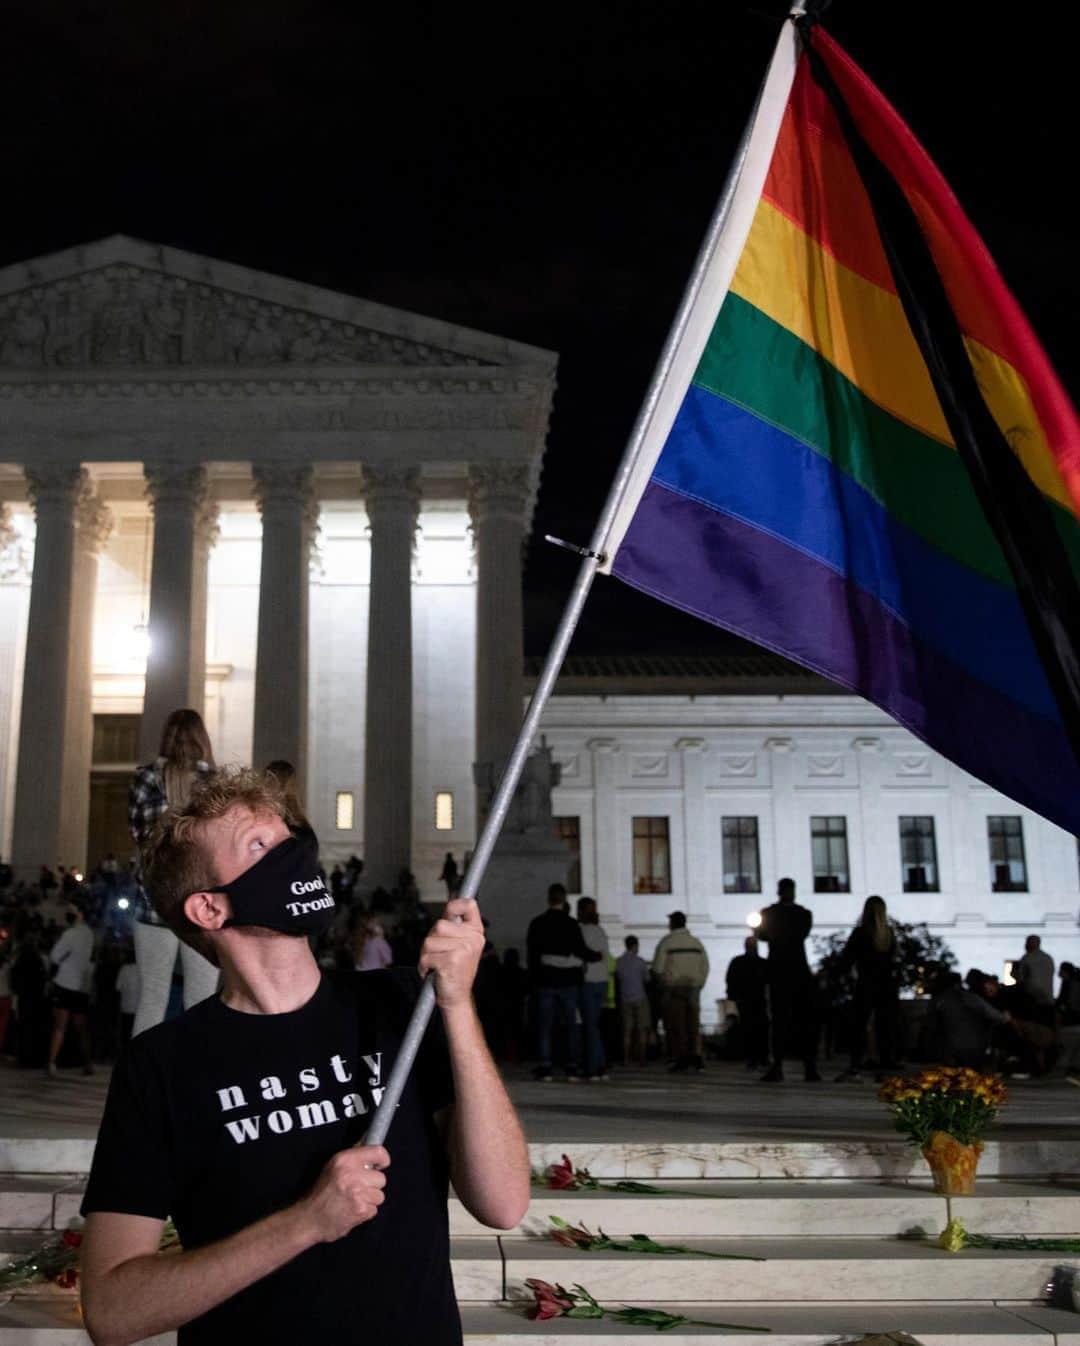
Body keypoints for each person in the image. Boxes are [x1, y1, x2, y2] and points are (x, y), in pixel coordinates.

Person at [79, 767, 528, 1346]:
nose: (292, 856)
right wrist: (305, 1223)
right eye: (261, 847)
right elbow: (113, 1312)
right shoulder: (161, 1064)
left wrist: (458, 1005)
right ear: (209, 910)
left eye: (287, 839)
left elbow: (504, 1203)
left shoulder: (400, 1005)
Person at [129, 709, 220, 1035]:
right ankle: (201, 1079)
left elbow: (140, 837)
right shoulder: (215, 782)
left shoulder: (146, 777)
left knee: (152, 997)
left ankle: (141, 1082)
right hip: (202, 903)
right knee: (203, 999)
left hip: (153, 901)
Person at [526, 882, 599, 1081]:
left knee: (545, 1025)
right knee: (571, 1025)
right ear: (564, 899)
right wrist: (595, 956)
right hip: (568, 981)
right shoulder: (571, 924)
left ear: (549, 899)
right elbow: (580, 950)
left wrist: (534, 979)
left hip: (546, 979)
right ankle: (571, 1066)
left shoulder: (538, 923)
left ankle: (546, 1064)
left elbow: (532, 955)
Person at [757, 878, 820, 1082]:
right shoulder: (802, 914)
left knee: (780, 1021)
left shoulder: (770, 914)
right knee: (805, 1021)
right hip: (797, 969)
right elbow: (799, 934)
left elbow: (763, 935)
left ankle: (779, 1066)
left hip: (778, 970)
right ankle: (809, 1067)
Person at [835, 896, 899, 1081]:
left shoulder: (861, 933)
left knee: (859, 1026)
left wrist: (839, 978)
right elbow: (894, 961)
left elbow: (847, 960)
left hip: (866, 984)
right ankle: (885, 1065)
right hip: (886, 986)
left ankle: (856, 1064)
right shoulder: (888, 934)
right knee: (884, 1026)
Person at [651, 911, 709, 1073]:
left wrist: (663, 984)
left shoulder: (666, 943)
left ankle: (681, 1058)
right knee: (694, 1025)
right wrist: (699, 983)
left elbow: (657, 968)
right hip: (693, 987)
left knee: (677, 1026)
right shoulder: (696, 943)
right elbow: (705, 966)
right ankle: (697, 1058)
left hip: (674, 988)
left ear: (672, 924)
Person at [46, 898, 95, 1077]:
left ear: (79, 913)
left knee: (60, 1026)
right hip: (81, 985)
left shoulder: (70, 934)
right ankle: (87, 1062)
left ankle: (51, 1063)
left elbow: (54, 956)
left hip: (65, 982)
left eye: (71, 910)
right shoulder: (89, 934)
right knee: (81, 1026)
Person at [932, 970, 1010, 1067]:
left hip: (949, 1049)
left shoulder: (938, 1000)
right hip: (973, 1048)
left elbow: (931, 1025)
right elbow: (1001, 1018)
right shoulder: (971, 998)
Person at [576, 897, 610, 1081]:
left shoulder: (581, 931)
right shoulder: (600, 931)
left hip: (588, 981)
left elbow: (584, 955)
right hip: (602, 981)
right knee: (595, 1025)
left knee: (589, 1026)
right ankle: (600, 1065)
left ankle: (592, 1067)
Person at [725, 935, 769, 1071]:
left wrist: (733, 995)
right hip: (755, 999)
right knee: (758, 1029)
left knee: (752, 1028)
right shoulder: (763, 963)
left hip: (748, 1000)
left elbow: (730, 980)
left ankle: (755, 1058)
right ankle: (760, 1057)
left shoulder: (738, 962)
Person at [615, 935, 651, 1067]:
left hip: (625, 999)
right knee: (642, 1029)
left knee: (627, 1031)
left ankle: (625, 1058)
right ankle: (642, 1059)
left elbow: (618, 978)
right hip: (640, 998)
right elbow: (647, 979)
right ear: (635, 946)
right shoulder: (640, 962)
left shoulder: (619, 962)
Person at [1015, 934, 1055, 1007]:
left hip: (1032, 999)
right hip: (1048, 999)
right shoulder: (1048, 958)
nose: (1025, 945)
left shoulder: (1027, 958)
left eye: (1027, 942)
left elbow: (1020, 978)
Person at [115, 947, 139, 1046]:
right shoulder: (142, 970)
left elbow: (118, 987)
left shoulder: (124, 969)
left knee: (125, 1034)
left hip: (125, 1007)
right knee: (136, 1034)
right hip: (138, 1008)